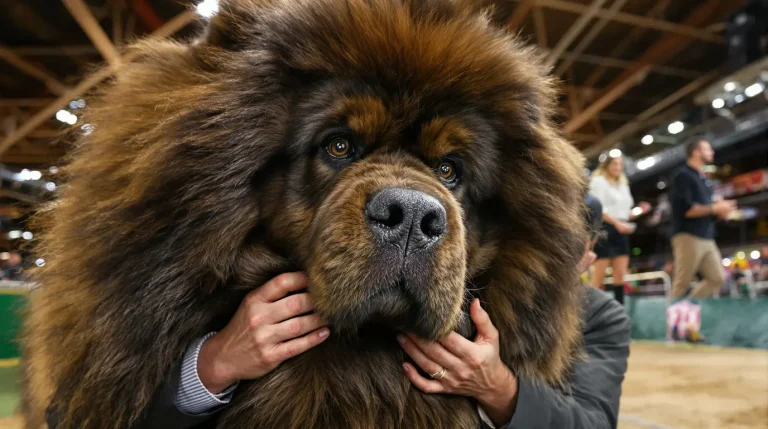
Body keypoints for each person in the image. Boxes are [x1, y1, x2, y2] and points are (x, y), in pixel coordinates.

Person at [46, 192, 629, 429]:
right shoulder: (244, 292)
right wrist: (213, 364)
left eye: (450, 176)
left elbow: (592, 425)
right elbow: (85, 413)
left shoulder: (599, 316)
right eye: (341, 150)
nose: (418, 212)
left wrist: (498, 386)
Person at [669, 139, 736, 299]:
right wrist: (715, 208)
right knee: (682, 282)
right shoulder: (683, 176)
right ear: (696, 152)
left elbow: (705, 210)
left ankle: (689, 309)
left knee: (717, 278)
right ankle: (673, 323)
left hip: (707, 236)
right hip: (688, 236)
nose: (712, 152)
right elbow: (687, 209)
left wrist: (720, 211)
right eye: (708, 149)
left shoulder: (704, 179)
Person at [588, 154, 650, 304]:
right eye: (614, 164)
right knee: (599, 275)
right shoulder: (598, 182)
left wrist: (639, 211)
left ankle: (619, 311)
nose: (617, 167)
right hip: (605, 229)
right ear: (607, 165)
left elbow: (625, 213)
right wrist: (617, 224)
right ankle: (588, 312)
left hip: (622, 231)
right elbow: (599, 208)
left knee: (620, 276)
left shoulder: (623, 185)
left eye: (620, 164)